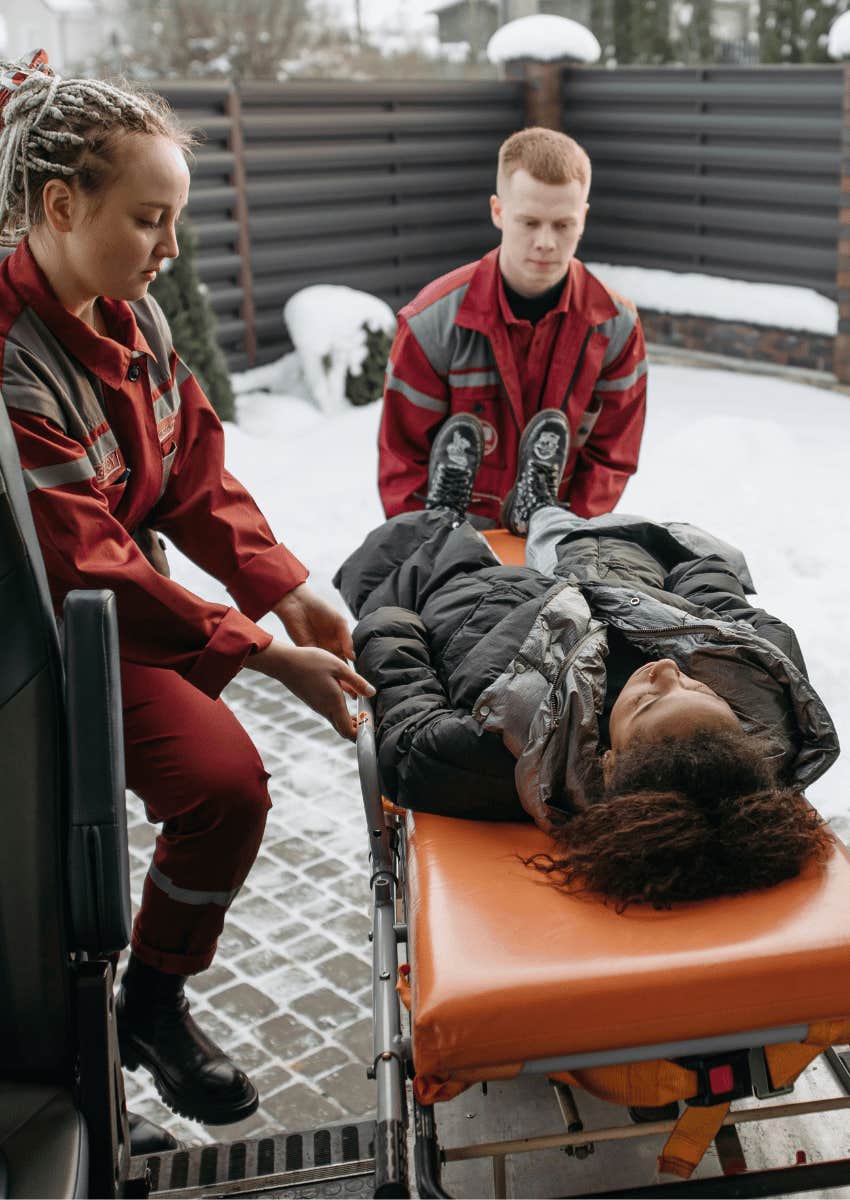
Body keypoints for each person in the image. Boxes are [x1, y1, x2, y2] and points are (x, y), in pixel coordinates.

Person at [0, 52, 372, 1130]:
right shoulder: (12, 365)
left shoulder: (132, 315)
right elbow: (89, 558)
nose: (171, 251)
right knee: (202, 789)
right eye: (151, 220)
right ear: (61, 206)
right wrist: (257, 652)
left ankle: (152, 1002)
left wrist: (284, 585)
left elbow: (191, 466)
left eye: (178, 221)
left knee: (225, 790)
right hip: (37, 643)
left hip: (108, 616)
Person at [337, 411, 838, 909]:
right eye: (701, 689)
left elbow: (407, 734)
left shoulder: (500, 761)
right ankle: (539, 507)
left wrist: (393, 621)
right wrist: (688, 571)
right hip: (617, 589)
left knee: (420, 550)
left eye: (649, 702)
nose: (668, 674)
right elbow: (717, 598)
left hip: (492, 611)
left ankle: (444, 511)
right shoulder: (763, 687)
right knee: (582, 538)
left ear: (610, 762)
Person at [378, 125, 647, 529]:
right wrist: (430, 553)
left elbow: (612, 458)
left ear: (583, 219)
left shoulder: (616, 328)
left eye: (562, 225)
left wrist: (565, 540)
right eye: (529, 222)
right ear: (498, 212)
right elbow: (403, 462)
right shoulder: (430, 324)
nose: (546, 242)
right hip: (451, 545)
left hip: (555, 536)